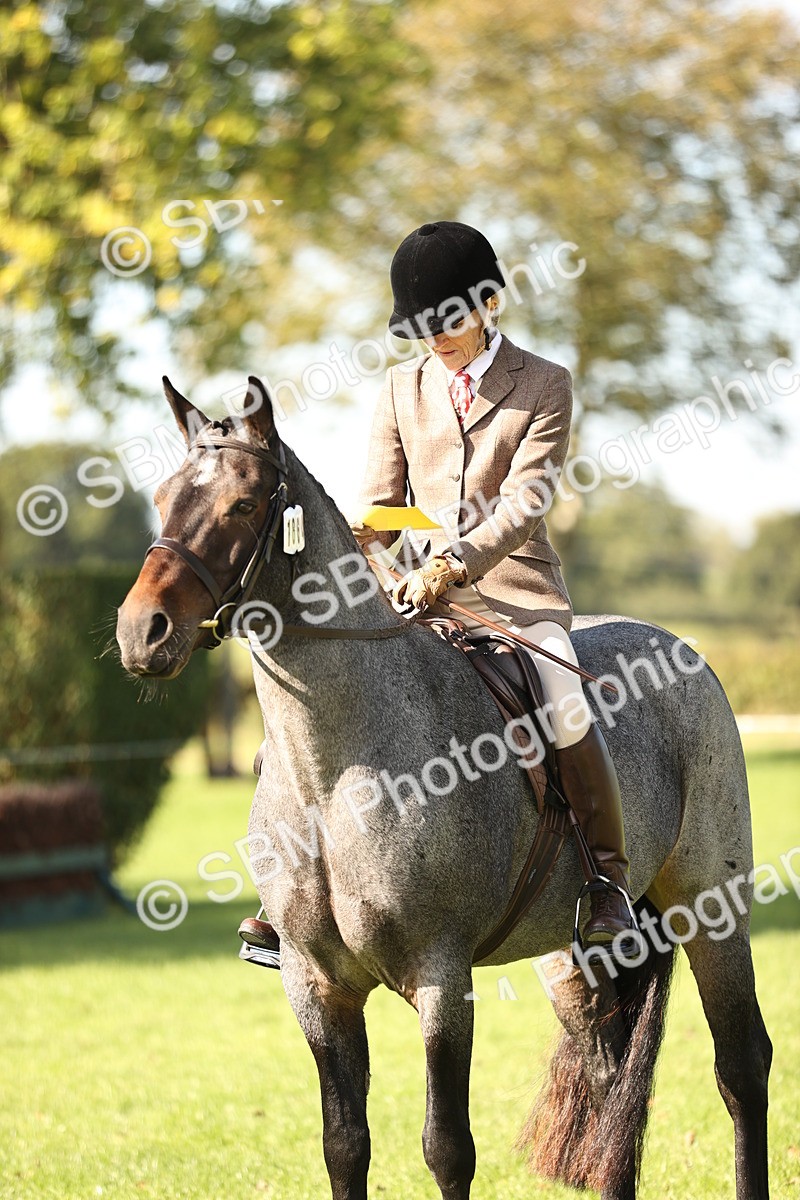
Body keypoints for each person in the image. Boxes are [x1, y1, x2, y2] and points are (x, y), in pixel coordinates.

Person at [239, 220, 636, 968]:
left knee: (567, 702)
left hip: (514, 597)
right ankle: (282, 891)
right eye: (421, 329)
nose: (436, 341)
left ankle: (605, 879)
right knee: (307, 709)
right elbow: (382, 500)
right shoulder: (400, 388)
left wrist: (453, 563)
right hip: (411, 602)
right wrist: (366, 543)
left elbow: (525, 504)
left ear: (489, 302)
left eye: (447, 322)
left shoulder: (546, 383)